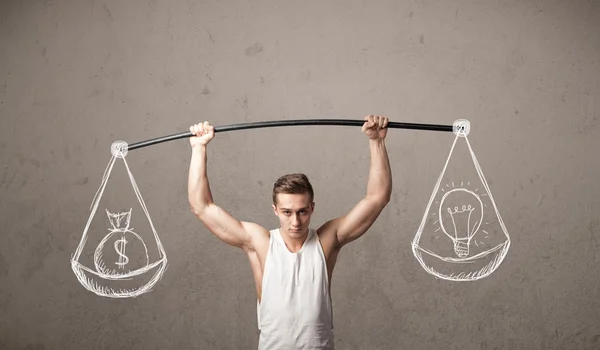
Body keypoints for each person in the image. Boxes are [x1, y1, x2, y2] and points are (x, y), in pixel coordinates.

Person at [187, 115, 392, 349]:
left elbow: (377, 198)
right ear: (274, 210)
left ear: (312, 207)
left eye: (302, 211)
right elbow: (201, 206)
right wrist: (199, 148)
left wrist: (376, 142)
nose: (295, 221)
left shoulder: (326, 240)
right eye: (287, 212)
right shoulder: (260, 242)